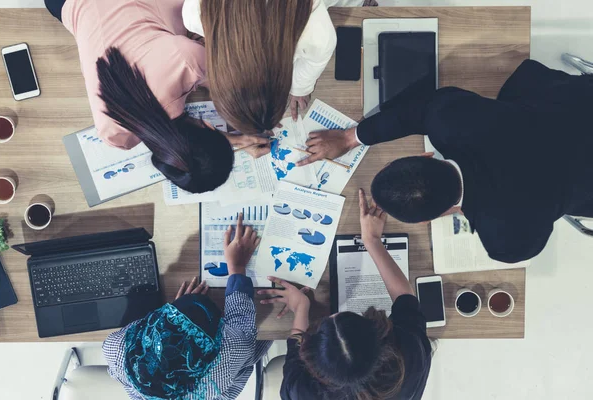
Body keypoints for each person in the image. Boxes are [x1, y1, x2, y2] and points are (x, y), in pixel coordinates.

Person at [298, 59, 593, 263]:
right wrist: (351, 137)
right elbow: (417, 111)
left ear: (430, 218)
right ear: (424, 156)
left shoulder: (507, 241)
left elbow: (534, 239)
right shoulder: (452, 120)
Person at [44, 0, 270, 194]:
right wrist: (233, 141)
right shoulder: (114, 136)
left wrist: (243, 120)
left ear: (211, 126)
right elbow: (169, 143)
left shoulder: (187, 61)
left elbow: (220, 83)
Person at [258, 189, 432, 400]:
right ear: (379, 333)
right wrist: (372, 240)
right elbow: (406, 298)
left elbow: (294, 354)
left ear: (311, 360)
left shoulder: (300, 391)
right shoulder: (411, 357)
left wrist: (302, 307)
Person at [103, 214, 271, 399]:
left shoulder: (115, 348)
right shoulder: (231, 352)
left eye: (168, 313)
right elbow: (242, 321)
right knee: (265, 327)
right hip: (233, 371)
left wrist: (172, 317)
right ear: (217, 340)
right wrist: (237, 267)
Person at [181, 0, 376, 138]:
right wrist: (299, 88)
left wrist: (300, 88)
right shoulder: (194, 15)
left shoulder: (316, 36)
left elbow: (315, 60)